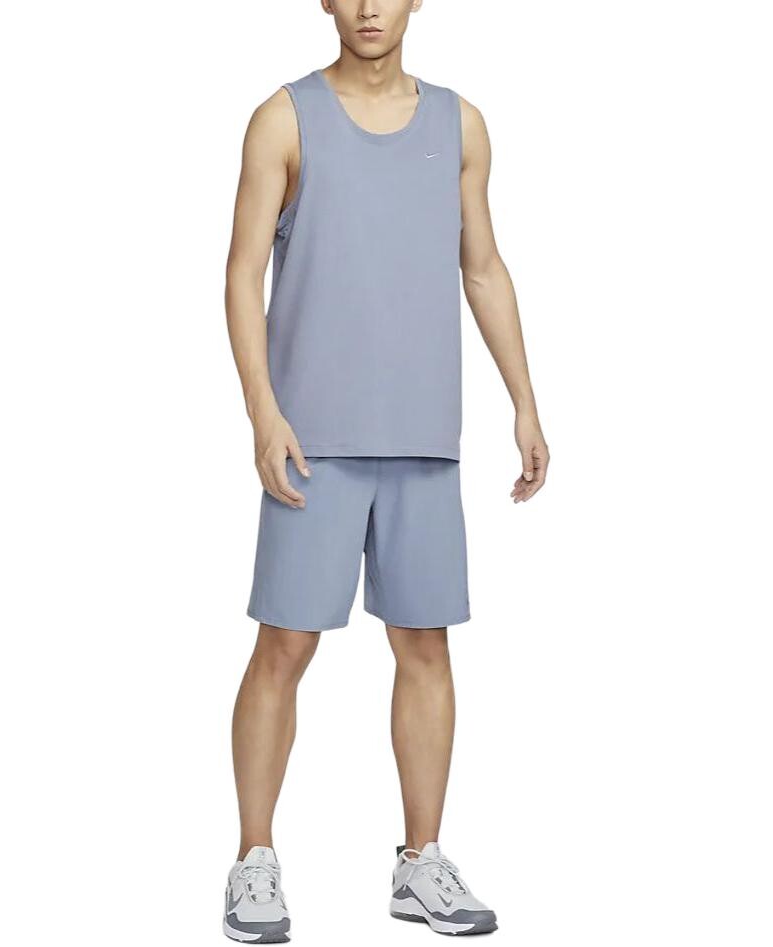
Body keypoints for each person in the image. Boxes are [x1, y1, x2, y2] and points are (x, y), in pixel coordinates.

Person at [222, 1, 548, 941]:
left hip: (423, 437)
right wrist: (262, 412)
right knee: (284, 647)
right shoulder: (283, 119)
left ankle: (420, 861)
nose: (369, 6)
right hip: (311, 441)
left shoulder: (460, 123)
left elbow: (481, 267)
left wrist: (524, 400)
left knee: (426, 647)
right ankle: (253, 860)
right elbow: (242, 272)